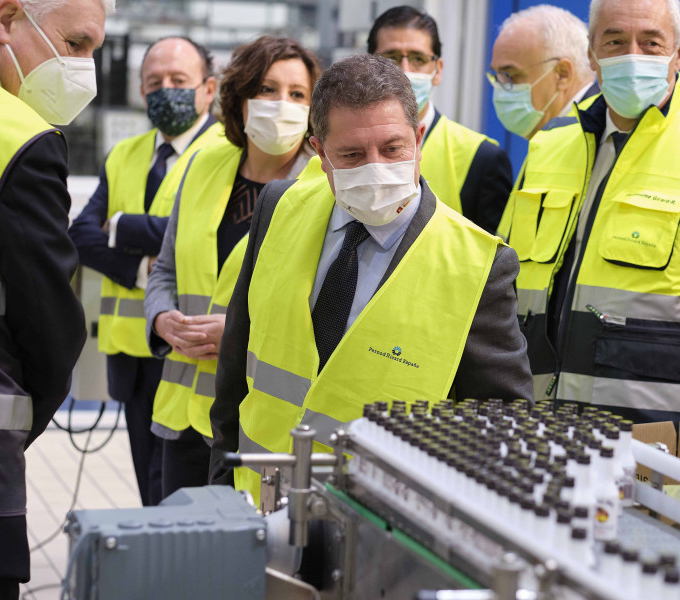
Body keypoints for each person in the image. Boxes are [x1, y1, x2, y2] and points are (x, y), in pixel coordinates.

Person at [209, 53, 533, 499]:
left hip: (379, 532)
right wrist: (222, 484)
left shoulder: (478, 264)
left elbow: (503, 426)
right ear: (320, 153)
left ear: (419, 138)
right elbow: (234, 365)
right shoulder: (279, 206)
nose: (376, 167)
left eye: (393, 148)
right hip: (256, 501)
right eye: (352, 154)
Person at [497, 0, 680, 430]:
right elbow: (504, 294)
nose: (633, 55)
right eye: (615, 41)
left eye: (651, 43)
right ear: (591, 54)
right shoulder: (546, 147)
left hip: (651, 450)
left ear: (679, 52)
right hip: (531, 435)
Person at [0, 0, 108, 596]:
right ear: (8, 18)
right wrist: (10, 426)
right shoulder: (16, 136)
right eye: (75, 44)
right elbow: (51, 334)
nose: (84, 70)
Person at [145, 36, 322, 499]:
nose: (281, 104)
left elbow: (322, 307)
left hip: (256, 422)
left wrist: (240, 332)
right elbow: (165, 269)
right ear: (240, 99)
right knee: (175, 557)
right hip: (181, 411)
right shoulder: (203, 165)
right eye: (266, 89)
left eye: (297, 94)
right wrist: (161, 318)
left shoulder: (322, 190)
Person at [68, 36, 221, 507]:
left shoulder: (226, 155)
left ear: (209, 90)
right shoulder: (125, 154)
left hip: (190, 353)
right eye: (154, 82)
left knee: (181, 495)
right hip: (132, 356)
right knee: (147, 493)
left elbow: (202, 233)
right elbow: (81, 237)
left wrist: (125, 225)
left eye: (179, 81)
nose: (165, 90)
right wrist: (140, 268)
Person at [367, 6, 511, 233]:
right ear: (367, 66)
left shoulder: (481, 159)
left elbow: (493, 262)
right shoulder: (343, 149)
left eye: (418, 58)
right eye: (390, 58)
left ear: (438, 69)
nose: (404, 71)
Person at [488, 4, 598, 140]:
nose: (500, 89)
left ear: (562, 74)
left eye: (509, 76)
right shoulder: (552, 134)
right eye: (497, 77)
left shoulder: (597, 135)